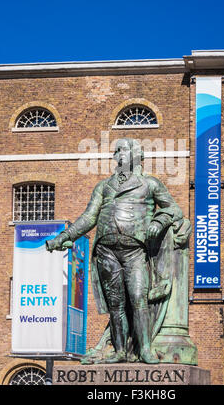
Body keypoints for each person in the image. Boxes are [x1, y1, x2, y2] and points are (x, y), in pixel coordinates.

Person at [46, 138, 184, 364]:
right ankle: (120, 351)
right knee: (116, 304)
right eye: (115, 151)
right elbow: (89, 217)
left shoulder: (150, 184)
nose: (116, 155)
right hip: (106, 250)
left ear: (136, 156)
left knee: (139, 298)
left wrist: (158, 222)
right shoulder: (103, 186)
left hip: (134, 250)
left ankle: (145, 349)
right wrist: (64, 237)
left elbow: (173, 209)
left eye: (122, 150)